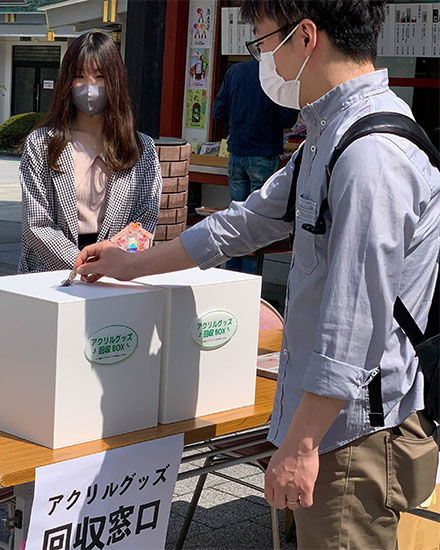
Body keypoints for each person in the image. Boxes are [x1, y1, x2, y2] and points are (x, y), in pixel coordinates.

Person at [75, 1, 440, 547]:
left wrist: (301, 446)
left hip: (353, 436)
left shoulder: (370, 155)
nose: (262, 57)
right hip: (336, 430)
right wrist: (133, 263)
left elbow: (352, 325)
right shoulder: (330, 132)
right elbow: (245, 223)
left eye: (263, 42)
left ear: (306, 36)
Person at [18, 31, 161, 273]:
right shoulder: (41, 144)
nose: (90, 87)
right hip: (48, 273)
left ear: (116, 80)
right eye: (79, 76)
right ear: (66, 82)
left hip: (114, 273)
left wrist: (111, 263)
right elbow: (36, 224)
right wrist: (83, 265)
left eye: (100, 76)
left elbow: (145, 221)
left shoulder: (141, 148)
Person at [212, 59, 299, 272]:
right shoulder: (274, 73)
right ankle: (249, 288)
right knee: (255, 224)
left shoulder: (235, 71)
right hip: (262, 153)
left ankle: (230, 280)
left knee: (235, 221)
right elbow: (287, 118)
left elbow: (218, 111)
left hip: (237, 153)